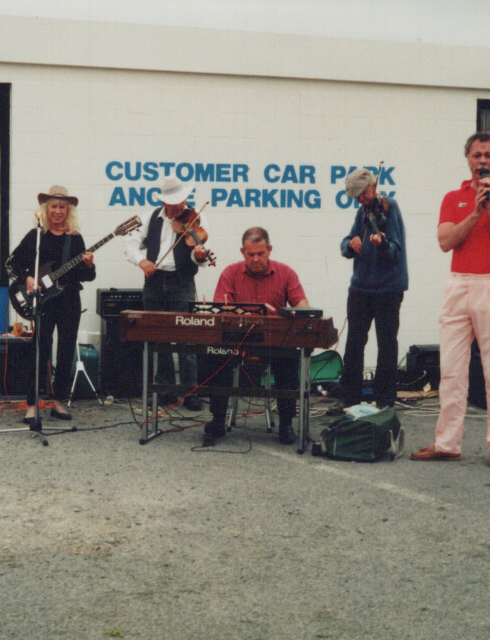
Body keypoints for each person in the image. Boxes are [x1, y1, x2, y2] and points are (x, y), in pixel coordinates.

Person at [412, 132, 490, 468]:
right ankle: (447, 443)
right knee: (451, 370)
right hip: (460, 284)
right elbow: (445, 241)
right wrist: (475, 212)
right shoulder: (453, 198)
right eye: (477, 155)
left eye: (488, 155)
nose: (482, 161)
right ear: (468, 159)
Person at [199, 227, 310, 447]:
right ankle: (218, 419)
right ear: (242, 252)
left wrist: (297, 311)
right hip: (237, 341)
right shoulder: (230, 273)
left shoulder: (286, 273)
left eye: (260, 253)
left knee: (289, 360)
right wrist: (241, 315)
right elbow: (221, 307)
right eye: (250, 254)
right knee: (213, 357)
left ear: (269, 250)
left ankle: (286, 423)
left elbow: (303, 304)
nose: (256, 259)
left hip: (274, 342)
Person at [5, 185, 96, 423]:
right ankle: (32, 405)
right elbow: (12, 263)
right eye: (53, 206)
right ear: (46, 209)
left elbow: (87, 277)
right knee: (40, 350)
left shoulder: (75, 238)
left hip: (69, 300)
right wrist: (27, 277)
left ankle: (58, 402)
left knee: (66, 350)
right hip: (43, 301)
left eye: (62, 207)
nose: (57, 211)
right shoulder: (36, 236)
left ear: (68, 211)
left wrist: (89, 265)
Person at [123, 177, 211, 411]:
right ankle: (165, 391)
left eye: (181, 202)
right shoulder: (150, 217)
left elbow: (198, 256)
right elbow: (130, 243)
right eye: (173, 204)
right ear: (164, 202)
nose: (178, 208)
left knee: (187, 338)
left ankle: (190, 393)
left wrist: (199, 257)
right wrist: (141, 261)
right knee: (158, 337)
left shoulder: (196, 218)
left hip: (182, 282)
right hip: (154, 281)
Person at [327, 167, 408, 415]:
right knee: (354, 343)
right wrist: (351, 244)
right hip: (361, 288)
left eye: (363, 194)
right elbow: (346, 243)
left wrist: (382, 244)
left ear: (373, 186)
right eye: (357, 197)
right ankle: (349, 399)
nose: (360, 200)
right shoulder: (362, 211)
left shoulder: (390, 208)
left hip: (388, 289)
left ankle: (385, 400)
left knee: (386, 344)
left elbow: (395, 252)